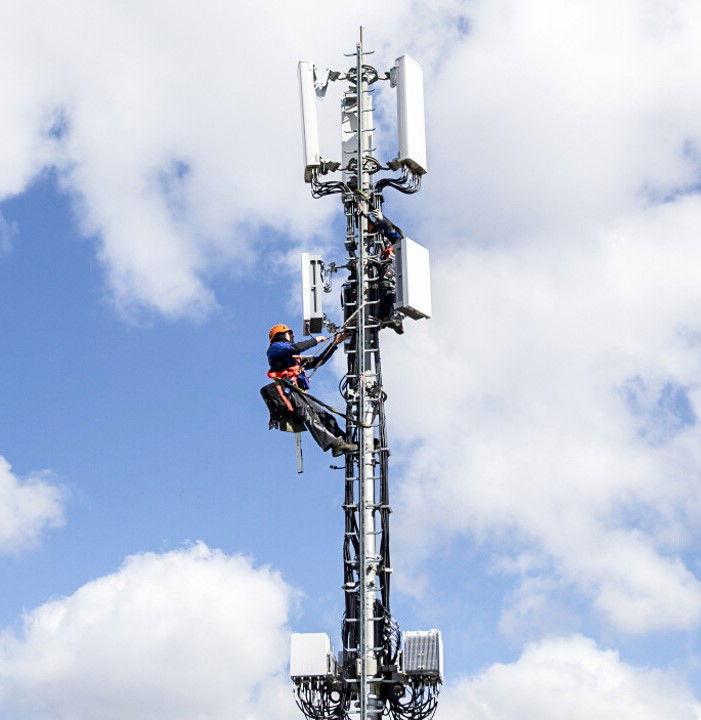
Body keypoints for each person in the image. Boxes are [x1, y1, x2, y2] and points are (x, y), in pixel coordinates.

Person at [261, 324, 358, 457]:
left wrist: (334, 344)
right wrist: (315, 340)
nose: (293, 337)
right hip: (288, 392)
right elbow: (297, 348)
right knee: (311, 417)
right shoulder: (275, 348)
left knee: (326, 417)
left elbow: (318, 361)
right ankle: (334, 444)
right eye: (290, 334)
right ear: (281, 336)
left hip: (297, 392)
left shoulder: (292, 360)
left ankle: (344, 441)